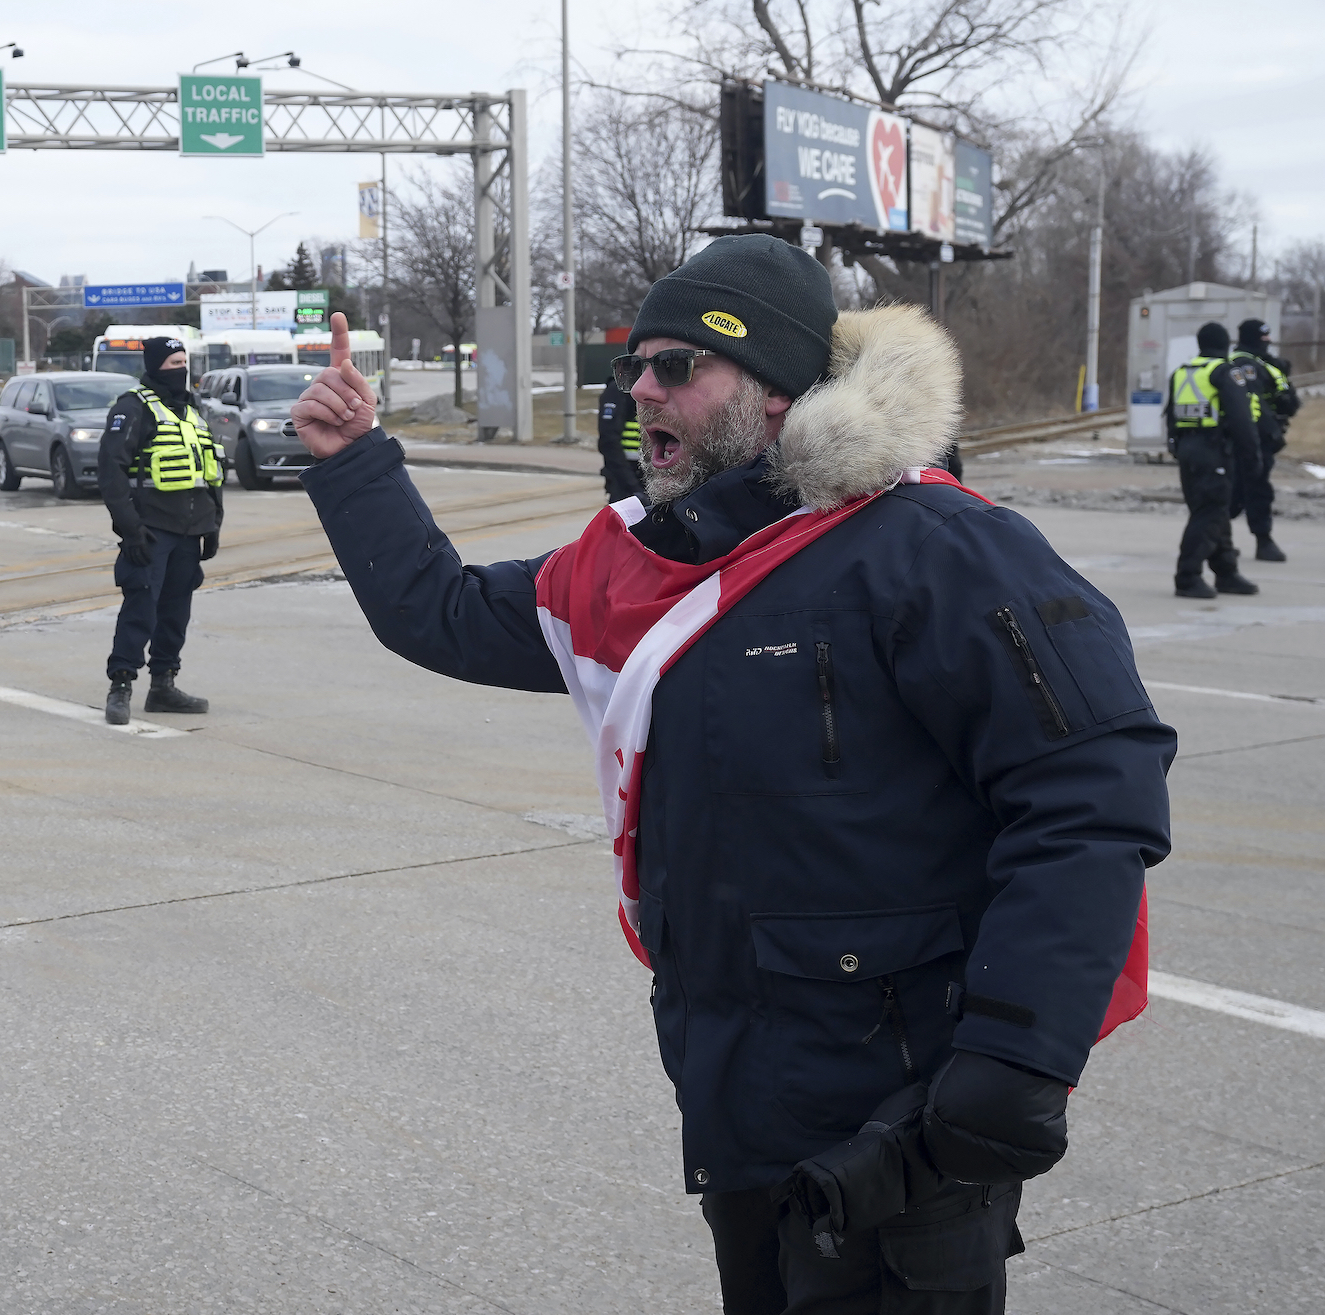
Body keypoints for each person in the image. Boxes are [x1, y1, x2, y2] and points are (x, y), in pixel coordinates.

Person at [289, 235, 1174, 1314]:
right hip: (737, 1095)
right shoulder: (640, 565)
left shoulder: (935, 546)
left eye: (676, 366)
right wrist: (355, 462)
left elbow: (1090, 791)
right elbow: (446, 613)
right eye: (633, 367)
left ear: (773, 393)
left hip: (908, 1114)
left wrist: (1015, 1058)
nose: (638, 391)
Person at [96, 335, 221, 725]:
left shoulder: (192, 410)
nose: (180, 370)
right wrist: (130, 529)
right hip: (151, 531)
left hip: (190, 529)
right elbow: (111, 472)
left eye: (183, 361)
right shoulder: (132, 408)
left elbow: (209, 468)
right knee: (141, 608)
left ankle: (163, 685)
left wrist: (213, 522)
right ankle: (120, 686)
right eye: (172, 364)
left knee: (175, 611)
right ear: (154, 367)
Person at [1168, 322, 1261, 599]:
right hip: (1213, 449)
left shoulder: (1182, 373)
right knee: (1208, 512)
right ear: (1225, 344)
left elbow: (1170, 415)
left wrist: (1176, 446)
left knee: (1214, 509)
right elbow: (1241, 417)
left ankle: (1226, 572)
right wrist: (1252, 455)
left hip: (1188, 449)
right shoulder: (1224, 372)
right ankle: (1187, 576)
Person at [1229, 318, 1299, 562]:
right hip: (1252, 439)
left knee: (1238, 492)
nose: (1267, 343)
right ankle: (1261, 540)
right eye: (1263, 339)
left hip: (1259, 438)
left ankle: (1219, 542)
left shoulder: (1263, 364)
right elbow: (1253, 406)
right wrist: (1269, 434)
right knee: (1252, 490)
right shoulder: (1245, 365)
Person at [594, 374, 645, 503]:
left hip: (653, 480)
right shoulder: (618, 390)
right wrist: (632, 486)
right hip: (627, 481)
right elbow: (609, 442)